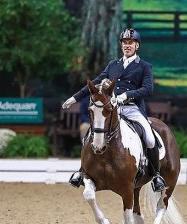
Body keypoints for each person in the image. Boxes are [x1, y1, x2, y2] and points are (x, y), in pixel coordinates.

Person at [62, 28, 166, 192]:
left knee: (150, 138)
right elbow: (95, 83)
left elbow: (148, 89)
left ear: (137, 46)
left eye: (130, 43)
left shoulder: (144, 66)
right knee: (91, 134)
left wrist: (127, 95)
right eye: (124, 43)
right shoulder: (113, 65)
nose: (127, 46)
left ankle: (156, 175)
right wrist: (74, 98)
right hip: (112, 109)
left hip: (132, 109)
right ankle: (82, 171)